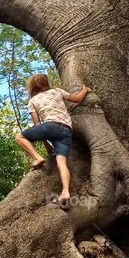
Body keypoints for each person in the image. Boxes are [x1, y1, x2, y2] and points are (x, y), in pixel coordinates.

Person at [14, 73, 91, 206]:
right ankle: (66, 192)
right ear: (46, 83)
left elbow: (38, 126)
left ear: (33, 87)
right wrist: (85, 89)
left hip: (50, 126)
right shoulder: (57, 91)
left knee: (19, 137)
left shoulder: (33, 101)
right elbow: (78, 99)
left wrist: (46, 146)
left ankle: (37, 157)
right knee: (62, 163)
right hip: (67, 130)